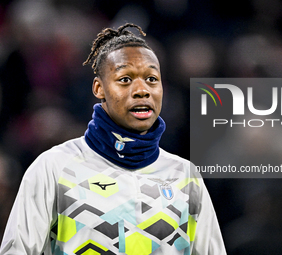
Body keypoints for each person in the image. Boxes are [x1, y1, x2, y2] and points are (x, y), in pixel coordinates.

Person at [0, 23, 226, 255]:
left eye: (151, 79)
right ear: (99, 88)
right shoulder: (53, 168)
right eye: (125, 79)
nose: (142, 90)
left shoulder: (185, 176)